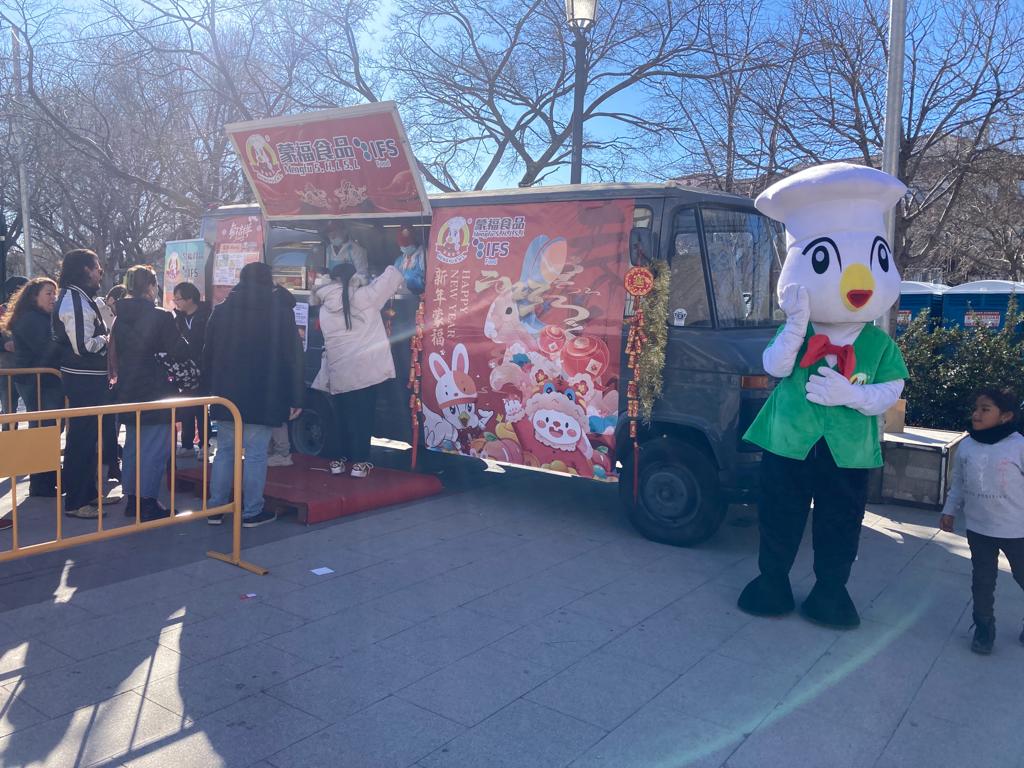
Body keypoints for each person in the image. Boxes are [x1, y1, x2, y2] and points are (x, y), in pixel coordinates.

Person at [202, 262, 303, 527]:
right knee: (256, 454)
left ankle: (216, 508)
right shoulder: (279, 312)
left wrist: (207, 389)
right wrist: (296, 396)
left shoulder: (222, 310)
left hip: (225, 393)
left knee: (225, 451)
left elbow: (208, 352)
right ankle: (251, 511)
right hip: (265, 392)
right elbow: (292, 356)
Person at [939, 386, 1024, 655]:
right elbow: (959, 483)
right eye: (976, 408)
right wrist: (949, 510)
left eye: (985, 409)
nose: (977, 414)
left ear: (1005, 416)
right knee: (982, 581)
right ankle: (984, 628)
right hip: (979, 528)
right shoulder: (967, 445)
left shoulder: (1019, 446)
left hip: (1016, 530)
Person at [311, 261, 405, 478]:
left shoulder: (325, 307)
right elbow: (392, 277)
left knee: (340, 418)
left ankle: (337, 462)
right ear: (354, 278)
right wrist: (400, 259)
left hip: (338, 372)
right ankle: (359, 465)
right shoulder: (365, 297)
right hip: (365, 372)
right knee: (362, 418)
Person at [110, 266, 189, 521]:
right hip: (156, 390)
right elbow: (178, 350)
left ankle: (132, 500)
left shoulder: (119, 317)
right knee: (154, 449)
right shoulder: (161, 316)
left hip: (128, 389)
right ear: (151, 287)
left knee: (133, 447)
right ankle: (148, 502)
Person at [52, 249, 122, 518]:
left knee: (88, 439)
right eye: (97, 268)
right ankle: (77, 501)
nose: (100, 273)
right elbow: (83, 346)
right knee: (82, 439)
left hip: (88, 378)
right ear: (85, 270)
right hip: (83, 379)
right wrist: (109, 340)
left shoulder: (80, 297)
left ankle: (89, 495)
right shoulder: (73, 300)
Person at [1, 277, 63, 497]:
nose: (53, 298)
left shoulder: (40, 317)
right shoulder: (30, 319)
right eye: (48, 293)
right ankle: (41, 481)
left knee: (48, 428)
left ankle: (46, 478)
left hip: (43, 379)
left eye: (55, 293)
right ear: (34, 296)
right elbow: (47, 348)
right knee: (44, 429)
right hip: (38, 381)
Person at [171, 281, 210, 457]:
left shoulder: (207, 315)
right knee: (185, 406)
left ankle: (204, 444)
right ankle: (187, 444)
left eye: (178, 299)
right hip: (183, 369)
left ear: (190, 299)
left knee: (201, 408)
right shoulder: (177, 318)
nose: (175, 302)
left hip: (203, 368)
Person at [267, 283, 298, 468]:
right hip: (282, 370)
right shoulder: (286, 310)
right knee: (277, 413)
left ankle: (281, 452)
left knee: (275, 415)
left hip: (273, 369)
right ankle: (278, 451)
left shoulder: (274, 310)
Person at [1, 275, 29, 423]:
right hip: (6, 369)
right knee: (9, 412)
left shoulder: (33, 312)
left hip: (30, 369)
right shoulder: (1, 311)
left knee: (35, 411)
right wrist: (3, 345)